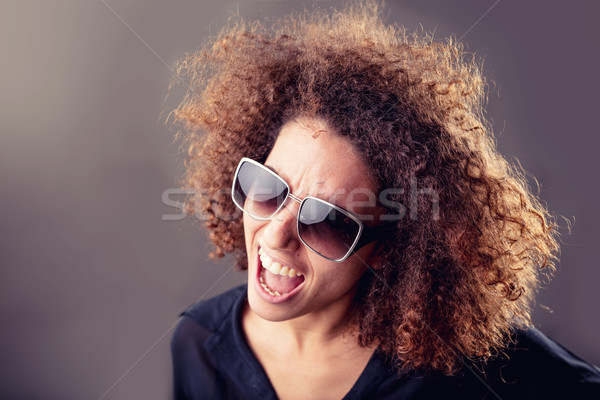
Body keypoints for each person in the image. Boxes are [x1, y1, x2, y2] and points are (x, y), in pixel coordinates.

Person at [168, 3, 600, 399]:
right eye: (267, 188)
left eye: (328, 221)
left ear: (385, 250)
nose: (277, 235)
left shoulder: (458, 368)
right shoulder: (200, 344)